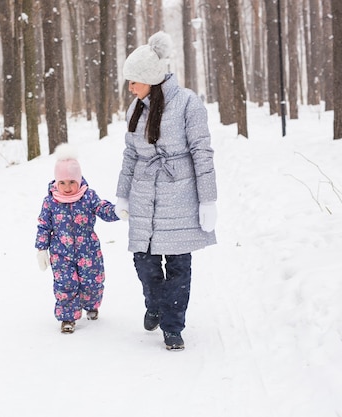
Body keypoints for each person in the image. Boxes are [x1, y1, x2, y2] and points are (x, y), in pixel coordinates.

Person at [115, 31, 218, 350]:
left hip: (180, 194)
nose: (130, 87)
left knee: (177, 264)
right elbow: (130, 153)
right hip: (145, 194)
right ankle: (156, 303)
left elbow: (202, 150)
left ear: (150, 79)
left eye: (134, 81)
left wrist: (208, 198)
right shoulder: (136, 108)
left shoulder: (188, 103)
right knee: (143, 261)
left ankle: (173, 326)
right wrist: (122, 194)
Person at [35, 143, 121, 334]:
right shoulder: (50, 201)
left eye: (72, 182)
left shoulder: (88, 196)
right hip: (60, 253)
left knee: (92, 281)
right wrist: (41, 248)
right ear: (56, 182)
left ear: (79, 180)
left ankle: (91, 304)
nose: (67, 187)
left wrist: (118, 211)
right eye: (62, 183)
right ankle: (67, 317)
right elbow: (43, 225)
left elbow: (102, 209)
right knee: (65, 283)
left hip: (88, 250)